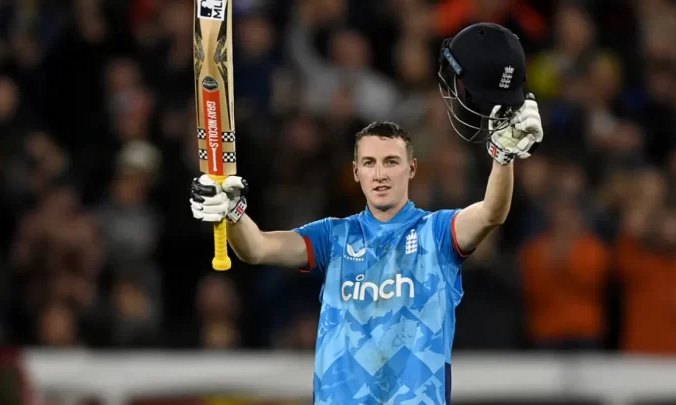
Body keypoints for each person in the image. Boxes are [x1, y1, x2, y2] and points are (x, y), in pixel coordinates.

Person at [189, 23, 543, 404]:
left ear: (411, 169)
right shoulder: (333, 237)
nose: (380, 173)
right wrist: (232, 212)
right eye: (370, 163)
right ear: (356, 172)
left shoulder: (435, 232)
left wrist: (502, 158)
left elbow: (492, 212)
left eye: (391, 162)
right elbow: (256, 248)